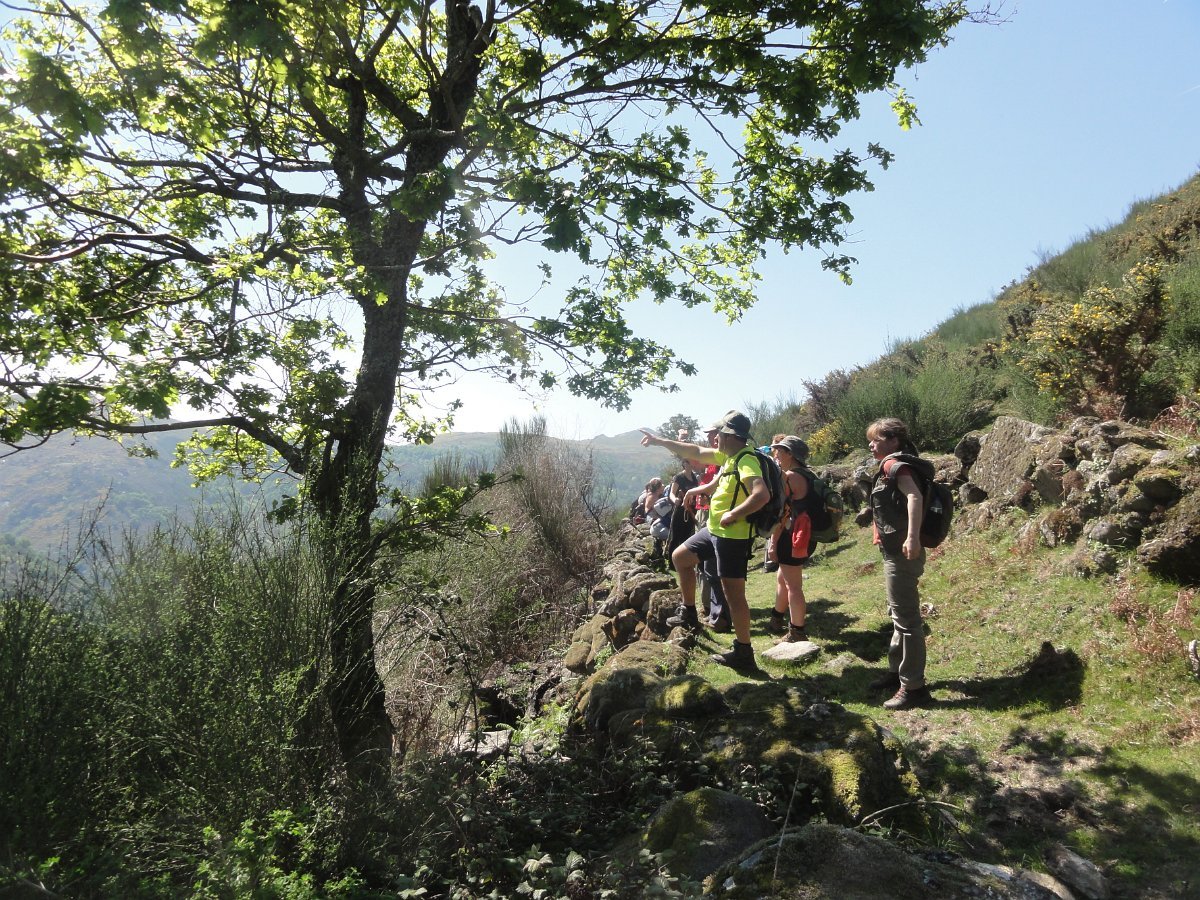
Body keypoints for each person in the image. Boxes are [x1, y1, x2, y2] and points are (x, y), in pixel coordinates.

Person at [640, 410, 768, 671]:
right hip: (714, 530)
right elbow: (695, 451)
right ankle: (689, 612)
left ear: (730, 435)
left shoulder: (746, 461)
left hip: (733, 536)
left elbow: (761, 494)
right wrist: (660, 441)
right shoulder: (729, 457)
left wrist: (734, 514)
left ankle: (744, 652)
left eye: (719, 433)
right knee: (680, 557)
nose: (715, 438)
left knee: (734, 595)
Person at [864, 417, 931, 710]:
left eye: (876, 440)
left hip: (903, 552)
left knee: (907, 620)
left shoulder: (894, 465)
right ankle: (897, 672)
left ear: (894, 441)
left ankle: (913, 687)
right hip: (895, 550)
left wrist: (912, 538)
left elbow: (914, 497)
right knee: (897, 614)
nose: (871, 445)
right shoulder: (894, 464)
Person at [766, 436, 811, 644]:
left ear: (790, 454)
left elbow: (782, 514)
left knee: (794, 586)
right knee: (782, 578)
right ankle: (776, 618)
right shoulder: (808, 474)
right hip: (805, 534)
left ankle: (797, 631)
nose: (776, 454)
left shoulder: (790, 477)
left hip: (791, 536)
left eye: (780, 451)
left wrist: (773, 543)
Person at [666, 456, 700, 567]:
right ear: (684, 463)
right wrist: (675, 500)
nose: (691, 464)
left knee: (687, 537)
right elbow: (672, 493)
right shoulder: (679, 477)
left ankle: (683, 561)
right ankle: (671, 563)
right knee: (675, 537)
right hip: (680, 510)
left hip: (691, 510)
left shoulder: (694, 478)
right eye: (688, 462)